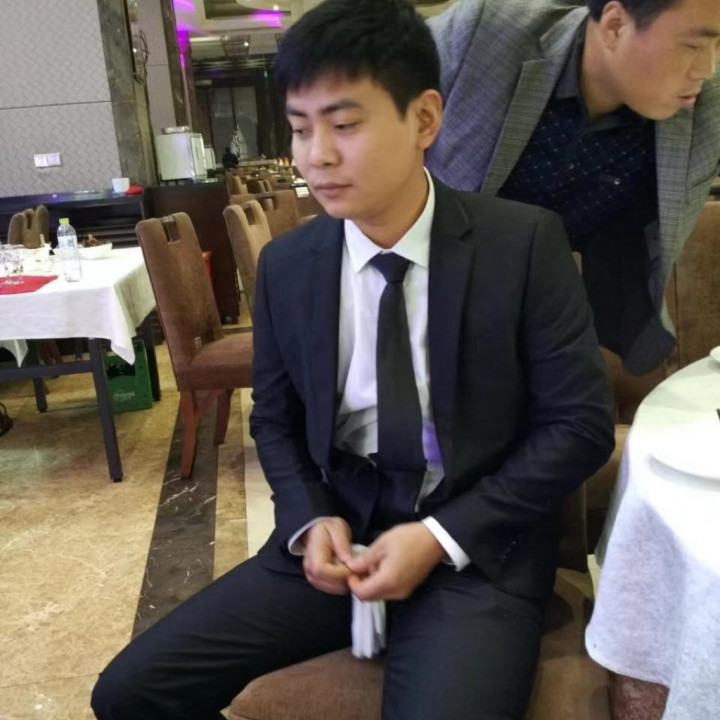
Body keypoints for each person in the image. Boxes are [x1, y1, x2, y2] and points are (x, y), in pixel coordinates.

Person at [90, 1, 614, 719]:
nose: (317, 156)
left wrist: (437, 537)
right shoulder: (288, 266)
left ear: (424, 119)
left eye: (344, 125)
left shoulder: (521, 245)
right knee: (129, 694)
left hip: (473, 552)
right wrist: (310, 519)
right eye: (301, 128)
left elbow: (579, 425)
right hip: (338, 536)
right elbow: (274, 419)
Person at [426, 0, 720, 375]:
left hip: (567, 325)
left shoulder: (707, 104)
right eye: (693, 46)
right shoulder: (482, 32)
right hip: (431, 299)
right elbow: (372, 108)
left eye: (719, 46)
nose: (707, 69)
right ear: (615, 25)